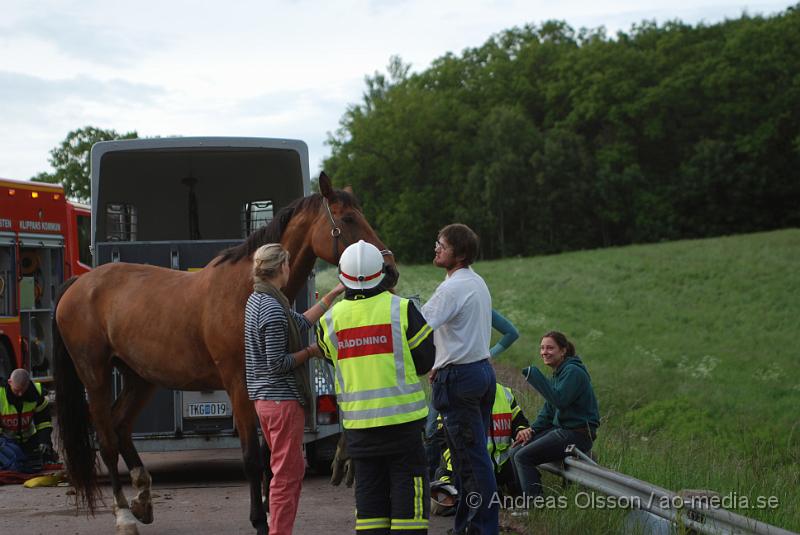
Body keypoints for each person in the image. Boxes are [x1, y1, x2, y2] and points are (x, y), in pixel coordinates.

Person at [317, 240, 435, 535]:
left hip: (360, 432)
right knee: (410, 517)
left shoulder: (328, 321)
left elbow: (335, 360)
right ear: (383, 273)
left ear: (341, 276)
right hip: (404, 430)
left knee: (370, 515)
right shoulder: (403, 309)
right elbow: (426, 361)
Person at [244, 243, 345, 535]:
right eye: (288, 264)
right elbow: (278, 363)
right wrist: (313, 352)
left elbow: (300, 322)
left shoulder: (258, 300)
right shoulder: (274, 310)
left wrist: (334, 293)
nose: (290, 269)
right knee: (287, 475)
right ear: (281, 268)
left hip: (265, 401)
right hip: (282, 401)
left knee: (288, 470)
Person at [421, 223, 498, 535]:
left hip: (460, 380)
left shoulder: (452, 288)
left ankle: (481, 529)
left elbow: (418, 325)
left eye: (443, 244)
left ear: (461, 253)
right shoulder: (476, 282)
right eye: (437, 242)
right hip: (479, 372)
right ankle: (468, 526)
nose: (437, 248)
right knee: (472, 458)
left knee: (470, 463)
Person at [425, 309, 518, 478]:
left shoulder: (448, 306)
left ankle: (450, 483)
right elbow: (511, 333)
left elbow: (512, 333)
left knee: (437, 430)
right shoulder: (474, 304)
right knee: (436, 431)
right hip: (461, 376)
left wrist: (487, 355)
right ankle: (439, 484)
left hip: (456, 378)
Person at [511, 331, 600, 499]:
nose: (544, 352)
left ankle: (535, 506)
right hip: (564, 431)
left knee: (523, 457)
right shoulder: (560, 373)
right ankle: (520, 498)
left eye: (550, 348)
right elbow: (549, 411)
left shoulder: (573, 372)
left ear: (563, 350)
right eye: (542, 348)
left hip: (577, 434)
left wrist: (534, 375)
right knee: (516, 450)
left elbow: (559, 400)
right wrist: (531, 431)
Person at [430, 382, 529, 516]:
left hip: (501, 468)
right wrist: (457, 461)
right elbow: (442, 437)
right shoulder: (455, 396)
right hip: (465, 470)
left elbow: (519, 421)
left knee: (501, 499)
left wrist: (521, 431)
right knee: (440, 506)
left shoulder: (505, 393)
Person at [0, 368, 57, 466]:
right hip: (6, 441)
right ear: (10, 382)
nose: (20, 394)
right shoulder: (1, 395)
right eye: (17, 390)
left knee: (44, 457)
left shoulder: (36, 393)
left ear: (28, 383)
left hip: (29, 440)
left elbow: (44, 422)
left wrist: (44, 442)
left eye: (23, 390)